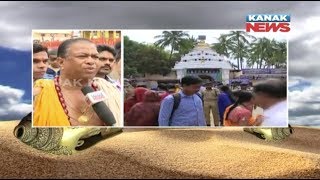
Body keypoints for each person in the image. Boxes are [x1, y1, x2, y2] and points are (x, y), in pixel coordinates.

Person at [33, 38, 121, 127]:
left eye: (95, 57)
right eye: (82, 56)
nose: (91, 61)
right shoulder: (40, 92)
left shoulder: (110, 90)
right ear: (61, 62)